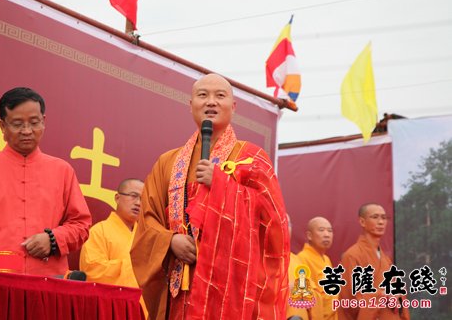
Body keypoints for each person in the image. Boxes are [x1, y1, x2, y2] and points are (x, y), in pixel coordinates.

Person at [130, 73, 289, 320]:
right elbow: (147, 221)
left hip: (230, 293)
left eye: (220, 96)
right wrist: (170, 241)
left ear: (233, 107)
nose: (211, 102)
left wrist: (221, 184)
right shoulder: (168, 163)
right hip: (179, 290)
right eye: (202, 95)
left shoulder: (252, 158)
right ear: (191, 105)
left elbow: (273, 223)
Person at [0, 87, 91, 276]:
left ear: (44, 122)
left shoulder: (63, 170)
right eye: (17, 124)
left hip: (49, 282)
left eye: (34, 122)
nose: (27, 131)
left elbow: (81, 225)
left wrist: (53, 240)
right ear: (2, 126)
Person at [79, 178, 148, 317]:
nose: (138, 203)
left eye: (142, 199)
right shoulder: (99, 231)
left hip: (141, 311)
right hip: (112, 311)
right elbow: (92, 272)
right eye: (133, 196)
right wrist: (135, 265)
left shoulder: (145, 237)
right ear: (117, 198)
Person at [338, 203, 410, 320]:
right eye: (375, 217)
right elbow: (350, 299)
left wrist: (398, 294)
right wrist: (382, 294)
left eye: (384, 217)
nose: (381, 222)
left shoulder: (386, 259)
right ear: (362, 222)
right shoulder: (352, 255)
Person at [298, 217, 337, 320]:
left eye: (330, 231)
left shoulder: (326, 259)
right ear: (309, 235)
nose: (326, 235)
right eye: (321, 230)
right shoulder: (302, 259)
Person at [287, 214, 322, 320]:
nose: (284, 227)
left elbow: (315, 294)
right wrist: (283, 289)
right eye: (280, 223)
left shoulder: (297, 261)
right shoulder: (256, 260)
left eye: (288, 224)